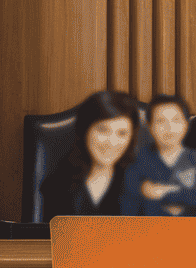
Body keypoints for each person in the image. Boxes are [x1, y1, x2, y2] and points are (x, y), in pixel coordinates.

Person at [40, 90, 140, 222]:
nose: (112, 142)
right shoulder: (57, 184)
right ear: (85, 129)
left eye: (122, 133)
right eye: (103, 130)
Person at [121, 94, 196, 216]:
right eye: (160, 121)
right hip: (150, 227)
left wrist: (166, 192)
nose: (169, 127)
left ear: (186, 124)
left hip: (187, 227)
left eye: (176, 120)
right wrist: (143, 188)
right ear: (150, 126)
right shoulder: (141, 157)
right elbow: (130, 185)